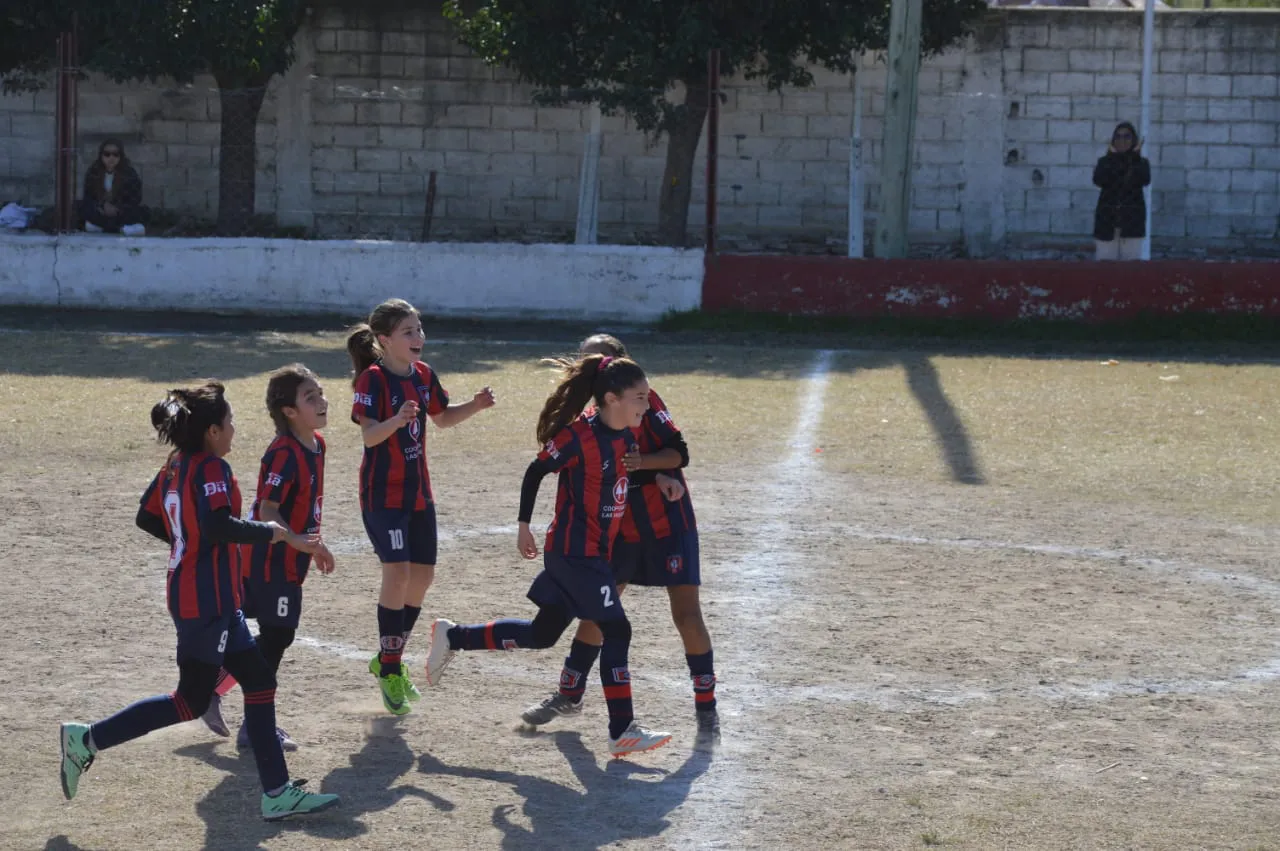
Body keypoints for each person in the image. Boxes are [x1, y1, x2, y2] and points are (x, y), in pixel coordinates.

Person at [58, 382, 339, 821]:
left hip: (214, 597)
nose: (234, 429)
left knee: (260, 682)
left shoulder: (176, 464)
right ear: (212, 431)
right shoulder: (211, 468)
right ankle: (86, 739)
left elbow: (147, 515)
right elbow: (217, 525)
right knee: (189, 700)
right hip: (204, 601)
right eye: (229, 422)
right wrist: (273, 533)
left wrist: (186, 543)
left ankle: (277, 792)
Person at [421, 353, 673, 758]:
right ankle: (622, 729)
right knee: (618, 630)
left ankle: (454, 636)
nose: (647, 404)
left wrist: (657, 475)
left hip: (593, 554)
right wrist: (524, 525)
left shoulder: (626, 435)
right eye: (640, 397)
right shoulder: (578, 436)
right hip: (574, 555)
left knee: (542, 635)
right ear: (612, 399)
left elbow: (619, 476)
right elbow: (535, 471)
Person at [520, 334, 719, 740]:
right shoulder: (588, 418)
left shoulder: (643, 401)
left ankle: (706, 707)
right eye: (585, 360)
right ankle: (569, 694)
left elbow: (678, 453)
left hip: (667, 523)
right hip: (618, 529)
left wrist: (649, 468)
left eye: (600, 359)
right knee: (599, 612)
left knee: (686, 614)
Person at [348, 298, 496, 716]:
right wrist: (396, 420)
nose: (418, 337)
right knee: (397, 574)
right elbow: (369, 436)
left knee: (423, 577)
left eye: (419, 329)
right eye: (408, 331)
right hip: (383, 496)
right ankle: (390, 668)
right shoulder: (372, 380)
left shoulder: (424, 374)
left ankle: (388, 657)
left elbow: (442, 418)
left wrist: (475, 405)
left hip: (418, 494)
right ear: (384, 340)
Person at [200, 365, 336, 751]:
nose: (322, 401)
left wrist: (314, 544)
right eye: (310, 397)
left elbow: (305, 507)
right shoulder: (283, 453)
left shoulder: (317, 445)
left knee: (275, 636)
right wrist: (296, 540)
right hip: (268, 559)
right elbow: (267, 510)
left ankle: (215, 689)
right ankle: (252, 723)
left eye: (321, 393)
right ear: (289, 411)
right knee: (277, 636)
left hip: (291, 557)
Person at [1092, 121, 1151, 261]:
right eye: (1118, 136)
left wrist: (1133, 157)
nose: (1122, 140)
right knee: (1105, 266)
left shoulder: (1141, 163)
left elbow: (1143, 179)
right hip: (1107, 224)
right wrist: (1114, 158)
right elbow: (1099, 180)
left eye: (1127, 136)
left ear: (1134, 140)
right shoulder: (1104, 162)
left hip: (1132, 225)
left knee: (1130, 269)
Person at [80, 139, 149, 236]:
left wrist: (117, 208)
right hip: (101, 212)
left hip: (120, 213)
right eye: (107, 154)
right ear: (101, 156)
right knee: (83, 208)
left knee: (141, 212)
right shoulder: (94, 172)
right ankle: (121, 229)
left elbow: (135, 198)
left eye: (115, 154)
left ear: (120, 156)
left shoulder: (129, 173)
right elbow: (88, 196)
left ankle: (103, 228)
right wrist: (102, 205)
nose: (111, 158)